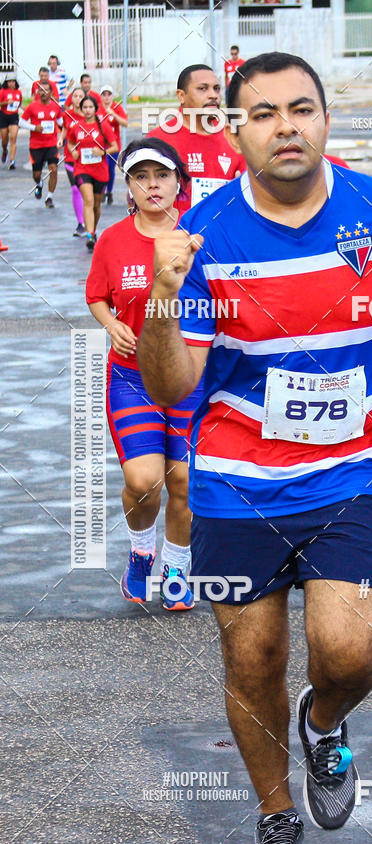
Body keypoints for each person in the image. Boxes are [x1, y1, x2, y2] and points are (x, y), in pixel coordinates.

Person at [137, 51, 372, 844]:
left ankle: (324, 721)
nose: (286, 126)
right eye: (264, 113)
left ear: (326, 119)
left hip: (354, 473)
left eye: (301, 109)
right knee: (254, 657)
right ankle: (276, 816)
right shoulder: (201, 238)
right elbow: (171, 385)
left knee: (347, 653)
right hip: (236, 481)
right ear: (234, 130)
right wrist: (163, 298)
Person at [86, 137, 203, 609]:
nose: (152, 185)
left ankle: (177, 565)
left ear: (179, 180)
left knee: (185, 483)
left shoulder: (201, 234)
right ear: (128, 186)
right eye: (141, 177)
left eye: (162, 175)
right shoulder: (113, 239)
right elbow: (97, 295)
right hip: (132, 378)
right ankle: (140, 551)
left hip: (191, 379)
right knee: (143, 481)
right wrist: (112, 324)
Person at [147, 64, 245, 212]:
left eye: (217, 89)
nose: (213, 95)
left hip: (221, 231)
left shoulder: (235, 137)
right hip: (174, 233)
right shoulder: (157, 140)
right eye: (203, 88)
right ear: (181, 96)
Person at [66, 94, 118, 250]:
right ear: (81, 109)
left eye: (90, 107)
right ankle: (89, 235)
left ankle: (93, 230)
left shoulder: (103, 126)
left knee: (96, 205)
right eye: (85, 108)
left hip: (100, 171)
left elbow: (114, 147)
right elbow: (70, 142)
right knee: (88, 200)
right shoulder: (77, 127)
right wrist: (73, 152)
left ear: (95, 109)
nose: (87, 110)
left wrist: (102, 151)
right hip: (82, 169)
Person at [20, 82, 63, 207]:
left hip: (51, 144)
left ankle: (49, 197)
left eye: (46, 90)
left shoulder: (55, 107)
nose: (43, 93)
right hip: (36, 145)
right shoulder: (32, 106)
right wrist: (34, 127)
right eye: (41, 91)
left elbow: (61, 122)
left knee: (53, 170)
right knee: (36, 174)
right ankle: (39, 184)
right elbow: (21, 122)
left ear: (51, 93)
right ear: (37, 93)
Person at [62, 87, 87, 236]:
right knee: (75, 189)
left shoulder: (89, 115)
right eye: (75, 96)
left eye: (80, 96)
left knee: (87, 192)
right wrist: (60, 140)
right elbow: (65, 129)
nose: (77, 99)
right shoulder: (67, 115)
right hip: (70, 158)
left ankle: (90, 223)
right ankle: (80, 223)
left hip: (86, 159)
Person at [98, 85, 128, 205]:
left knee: (110, 169)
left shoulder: (117, 107)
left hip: (113, 144)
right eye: (104, 94)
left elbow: (125, 123)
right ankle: (101, 191)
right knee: (102, 168)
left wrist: (113, 114)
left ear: (112, 96)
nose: (106, 97)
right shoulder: (97, 108)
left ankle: (109, 192)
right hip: (100, 144)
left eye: (108, 94)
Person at [0, 75, 22, 169]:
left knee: (13, 137)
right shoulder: (2, 92)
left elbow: (20, 102)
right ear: (6, 83)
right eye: (9, 82)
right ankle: (5, 150)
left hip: (14, 116)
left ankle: (12, 161)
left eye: (13, 81)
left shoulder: (18, 92)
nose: (11, 83)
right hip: (4, 115)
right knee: (4, 139)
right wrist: (6, 103)